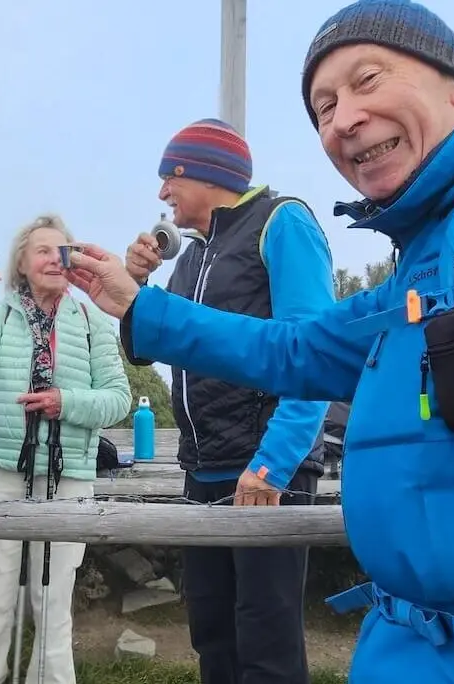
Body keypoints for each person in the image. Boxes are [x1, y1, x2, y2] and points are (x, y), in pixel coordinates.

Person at [62, 0, 454, 682]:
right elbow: (296, 351)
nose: (342, 119)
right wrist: (140, 309)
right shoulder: (430, 249)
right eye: (323, 107)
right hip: (414, 648)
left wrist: (274, 462)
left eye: (367, 80)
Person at [124, 118, 334, 683]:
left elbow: (313, 355)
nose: (163, 194)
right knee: (213, 633)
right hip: (205, 469)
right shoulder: (191, 257)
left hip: (268, 469)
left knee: (265, 639)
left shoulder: (282, 222)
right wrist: (134, 288)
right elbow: (153, 346)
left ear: (205, 173)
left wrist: (272, 464)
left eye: (169, 178)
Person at [0, 214, 132, 684]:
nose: (53, 258)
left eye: (62, 249)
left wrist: (65, 402)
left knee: (54, 601)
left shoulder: (91, 319)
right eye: (42, 249)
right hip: (2, 469)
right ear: (20, 263)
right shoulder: (0, 313)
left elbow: (118, 399)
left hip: (70, 475)